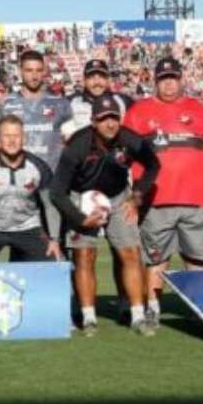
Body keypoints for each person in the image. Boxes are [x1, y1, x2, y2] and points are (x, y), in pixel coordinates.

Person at [123, 56, 203, 330]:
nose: (169, 83)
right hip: (156, 199)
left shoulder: (198, 108)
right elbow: (126, 152)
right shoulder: (138, 111)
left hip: (197, 198)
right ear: (155, 81)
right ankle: (154, 310)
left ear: (181, 79)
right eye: (163, 78)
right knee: (156, 258)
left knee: (198, 257)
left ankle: (200, 311)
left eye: (173, 77)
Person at [52, 96, 159, 336]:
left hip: (119, 197)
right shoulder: (77, 146)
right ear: (93, 121)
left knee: (131, 253)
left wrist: (137, 194)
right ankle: (89, 317)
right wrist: (80, 219)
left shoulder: (130, 139)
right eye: (103, 119)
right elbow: (57, 192)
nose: (110, 124)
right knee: (84, 255)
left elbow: (153, 165)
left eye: (114, 118)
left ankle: (138, 316)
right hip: (83, 199)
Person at [0, 116, 62, 263]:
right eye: (7, 136)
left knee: (52, 260)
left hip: (28, 227)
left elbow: (50, 206)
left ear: (24, 138)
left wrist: (54, 239)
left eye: (16, 135)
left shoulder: (39, 167)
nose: (11, 141)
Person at [0, 49, 72, 170]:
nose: (34, 76)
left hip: (52, 178)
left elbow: (72, 143)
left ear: (44, 71)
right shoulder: (6, 104)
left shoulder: (60, 104)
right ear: (20, 72)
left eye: (38, 70)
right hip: (18, 178)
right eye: (29, 70)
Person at [63, 59, 133, 140]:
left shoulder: (123, 101)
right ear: (84, 80)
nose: (97, 82)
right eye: (91, 77)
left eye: (101, 77)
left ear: (108, 80)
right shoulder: (70, 103)